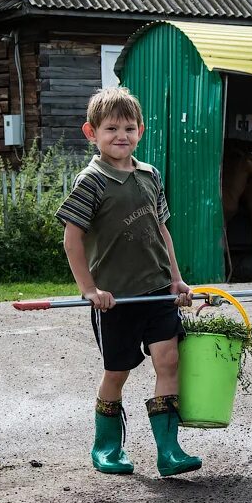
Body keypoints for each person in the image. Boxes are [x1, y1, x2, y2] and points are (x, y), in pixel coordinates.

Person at [56, 86, 200, 477]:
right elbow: (72, 240)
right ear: (92, 133)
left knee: (168, 362)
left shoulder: (151, 176)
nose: (121, 135)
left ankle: (168, 451)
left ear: (141, 131)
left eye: (129, 128)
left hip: (157, 292)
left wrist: (177, 280)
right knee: (117, 373)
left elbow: (163, 232)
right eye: (111, 128)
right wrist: (89, 290)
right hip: (115, 299)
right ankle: (106, 446)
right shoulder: (91, 181)